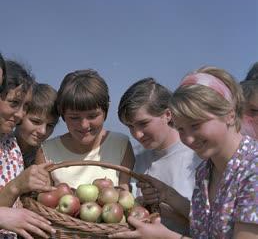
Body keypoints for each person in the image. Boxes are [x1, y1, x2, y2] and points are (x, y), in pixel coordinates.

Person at [110, 66, 258, 239]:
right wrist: (167, 194)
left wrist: (166, 237)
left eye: (196, 125)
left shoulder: (253, 170)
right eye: (181, 129)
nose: (188, 139)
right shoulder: (206, 170)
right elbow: (206, 224)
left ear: (230, 115)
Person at [118, 77, 201, 235]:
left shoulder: (197, 157)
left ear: (168, 114)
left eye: (143, 123)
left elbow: (211, 222)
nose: (137, 134)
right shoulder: (137, 159)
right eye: (130, 126)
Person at [35, 69, 135, 190]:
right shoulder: (46, 152)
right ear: (62, 114)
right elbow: (45, 199)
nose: (84, 125)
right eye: (74, 117)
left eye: (92, 116)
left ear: (105, 112)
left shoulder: (121, 144)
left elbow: (124, 195)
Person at [0, 58, 55, 238]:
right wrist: (17, 186)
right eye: (14, 103)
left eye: (25, 107)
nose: (20, 114)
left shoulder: (10, 145)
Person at [15, 83, 59, 168]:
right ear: (20, 114)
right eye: (35, 122)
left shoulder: (49, 156)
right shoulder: (3, 148)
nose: (43, 131)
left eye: (50, 125)